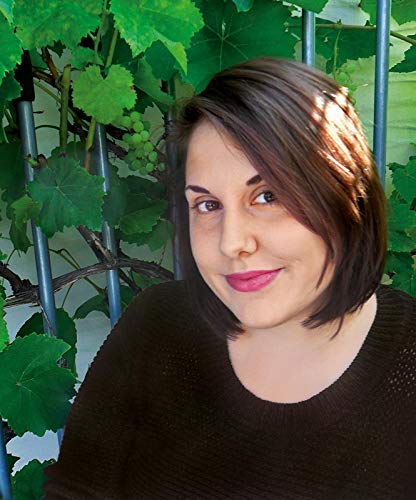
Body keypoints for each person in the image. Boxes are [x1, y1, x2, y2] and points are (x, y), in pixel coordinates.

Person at [43, 57, 416, 499]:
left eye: (268, 195)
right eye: (207, 205)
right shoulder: (156, 326)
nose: (231, 242)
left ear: (345, 196)